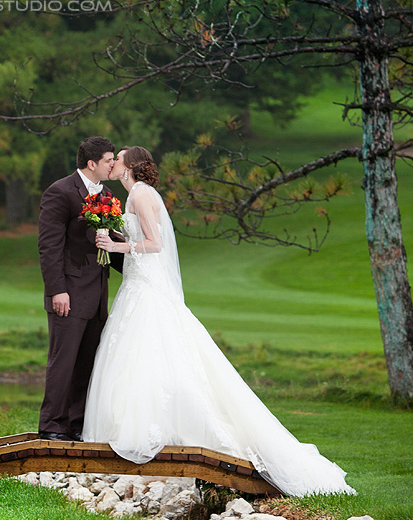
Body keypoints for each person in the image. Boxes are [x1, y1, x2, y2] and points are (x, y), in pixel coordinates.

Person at [81, 146, 355, 496]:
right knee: (140, 357)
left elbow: (155, 243)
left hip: (146, 287)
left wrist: (117, 247)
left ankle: (173, 435)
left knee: (153, 352)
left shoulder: (142, 195)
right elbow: (139, 240)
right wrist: (114, 238)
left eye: (118, 158)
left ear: (131, 165)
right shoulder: (134, 195)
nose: (114, 163)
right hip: (137, 284)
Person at [37, 136, 125, 441]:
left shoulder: (109, 195)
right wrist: (56, 290)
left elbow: (109, 244)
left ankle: (77, 425)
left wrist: (140, 267)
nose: (113, 164)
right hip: (69, 293)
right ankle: (51, 426)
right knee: (63, 361)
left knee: (88, 361)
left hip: (98, 293)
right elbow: (49, 247)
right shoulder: (60, 192)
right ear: (92, 163)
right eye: (108, 160)